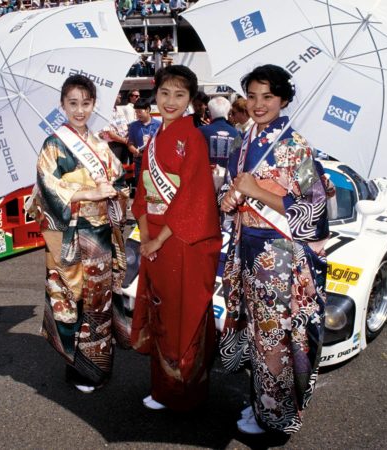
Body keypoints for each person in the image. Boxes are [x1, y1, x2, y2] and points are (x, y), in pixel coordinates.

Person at [219, 64, 331, 435]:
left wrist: (256, 192)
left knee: (275, 338)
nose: (258, 103)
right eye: (251, 95)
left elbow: (314, 209)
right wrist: (231, 199)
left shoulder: (295, 146)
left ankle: (276, 416)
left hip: (278, 257)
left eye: (268, 96)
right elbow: (237, 189)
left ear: (283, 98)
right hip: (246, 249)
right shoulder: (242, 138)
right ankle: (259, 404)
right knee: (255, 333)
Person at [27, 74, 129, 394]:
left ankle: (97, 368)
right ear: (62, 105)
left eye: (86, 103)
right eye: (73, 103)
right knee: (74, 302)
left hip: (100, 237)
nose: (80, 110)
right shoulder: (53, 144)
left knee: (98, 305)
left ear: (94, 104)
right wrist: (88, 193)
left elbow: (122, 184)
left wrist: (113, 193)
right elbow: (48, 188)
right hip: (71, 236)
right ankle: (78, 368)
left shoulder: (101, 145)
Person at [130, 65, 221, 411]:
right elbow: (142, 193)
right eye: (165, 93)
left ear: (191, 101)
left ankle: (182, 391)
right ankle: (164, 387)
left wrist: (158, 238)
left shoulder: (193, 138)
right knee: (162, 313)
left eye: (179, 95)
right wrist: (146, 232)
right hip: (156, 236)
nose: (170, 101)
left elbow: (192, 198)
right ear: (156, 93)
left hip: (181, 241)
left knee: (180, 315)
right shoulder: (154, 138)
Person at [126, 98, 160, 194]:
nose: (138, 114)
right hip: (139, 162)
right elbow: (130, 144)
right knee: (141, 188)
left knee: (154, 189)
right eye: (136, 112)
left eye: (140, 111)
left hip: (154, 162)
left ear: (148, 110)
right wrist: (135, 151)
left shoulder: (159, 125)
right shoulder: (133, 126)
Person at [199, 96, 241, 168]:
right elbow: (238, 160)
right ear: (227, 113)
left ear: (210, 113)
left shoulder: (199, 131)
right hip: (229, 176)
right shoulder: (236, 134)